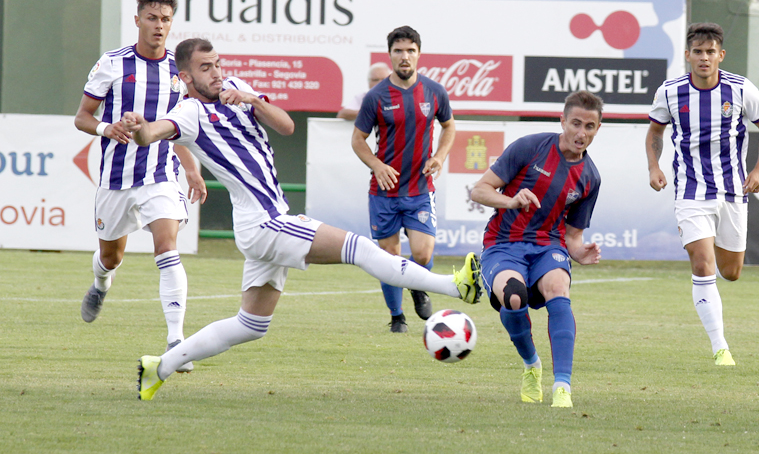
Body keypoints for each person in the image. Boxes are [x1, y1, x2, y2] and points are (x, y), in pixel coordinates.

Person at [126, 38, 481, 400]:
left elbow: (286, 126)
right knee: (360, 248)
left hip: (264, 222)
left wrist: (251, 100)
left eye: (217, 64)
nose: (216, 73)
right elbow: (151, 133)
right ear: (185, 76)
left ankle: (160, 367)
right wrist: (139, 126)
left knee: (251, 325)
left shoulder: (236, 89)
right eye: (205, 68)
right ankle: (456, 286)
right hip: (265, 223)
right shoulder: (189, 113)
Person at [73, 0, 207, 374]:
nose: (159, 26)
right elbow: (82, 116)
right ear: (137, 20)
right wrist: (106, 129)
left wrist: (192, 169)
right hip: (115, 181)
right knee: (111, 257)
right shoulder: (113, 63)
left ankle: (177, 343)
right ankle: (100, 284)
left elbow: (177, 129)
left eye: (165, 19)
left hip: (160, 177)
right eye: (152, 18)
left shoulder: (178, 73)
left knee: (167, 249)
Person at [646, 22, 759, 367]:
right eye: (697, 52)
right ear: (687, 55)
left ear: (721, 55)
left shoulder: (740, 88)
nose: (704, 58)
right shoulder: (670, 92)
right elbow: (655, 133)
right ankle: (721, 348)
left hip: (733, 190)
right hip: (690, 192)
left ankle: (715, 289)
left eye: (710, 52)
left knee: (730, 271)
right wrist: (654, 167)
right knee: (702, 263)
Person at [469, 90, 604, 409]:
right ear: (562, 121)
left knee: (559, 289)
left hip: (548, 246)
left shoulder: (590, 178)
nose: (581, 133)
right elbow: (479, 190)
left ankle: (562, 386)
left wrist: (580, 253)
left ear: (598, 129)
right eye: (575, 124)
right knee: (514, 297)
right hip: (504, 244)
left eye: (590, 126)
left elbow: (572, 236)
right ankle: (532, 365)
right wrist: (510, 201)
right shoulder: (530, 148)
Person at [351, 26, 456, 333]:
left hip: (420, 188)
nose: (405, 56)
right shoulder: (376, 96)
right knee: (389, 257)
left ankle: (418, 286)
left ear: (419, 54)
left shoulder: (435, 91)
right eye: (398, 51)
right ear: (391, 55)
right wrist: (376, 164)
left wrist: (439, 157)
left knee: (423, 253)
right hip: (384, 191)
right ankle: (397, 316)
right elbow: (358, 139)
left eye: (410, 50)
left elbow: (449, 127)